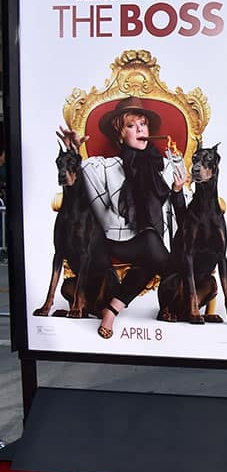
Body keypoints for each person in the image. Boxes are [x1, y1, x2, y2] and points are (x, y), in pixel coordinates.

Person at [57, 97, 187, 339]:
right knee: (156, 246)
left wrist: (177, 192)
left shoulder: (164, 166)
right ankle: (175, 292)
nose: (139, 129)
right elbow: (80, 189)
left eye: (143, 124)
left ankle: (112, 309)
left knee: (151, 253)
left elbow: (182, 217)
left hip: (154, 244)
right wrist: (72, 151)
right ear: (119, 134)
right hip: (119, 240)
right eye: (131, 125)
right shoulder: (104, 168)